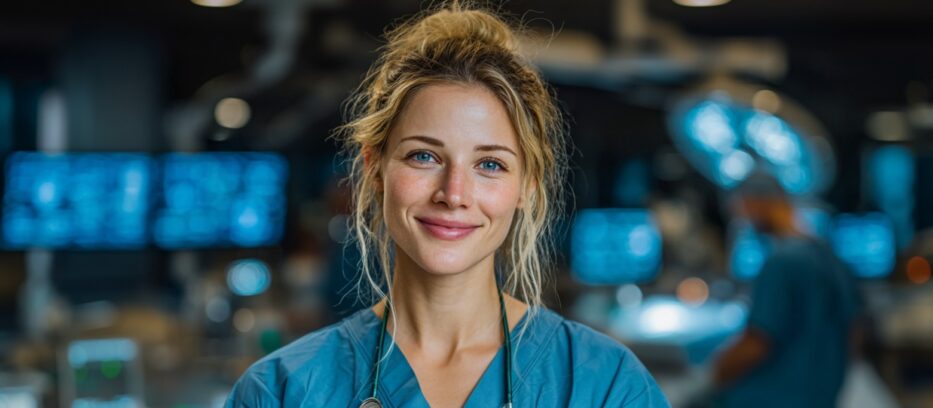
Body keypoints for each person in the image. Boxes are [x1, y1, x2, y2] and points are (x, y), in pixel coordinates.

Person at [224, 3, 669, 407]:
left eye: (490, 164)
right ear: (375, 168)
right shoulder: (280, 391)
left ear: (527, 186)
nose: (454, 193)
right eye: (424, 156)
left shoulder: (606, 386)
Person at [708, 171, 861, 408]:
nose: (745, 220)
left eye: (744, 210)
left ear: (758, 203)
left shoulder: (782, 263)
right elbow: (854, 331)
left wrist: (714, 373)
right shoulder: (827, 256)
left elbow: (756, 344)